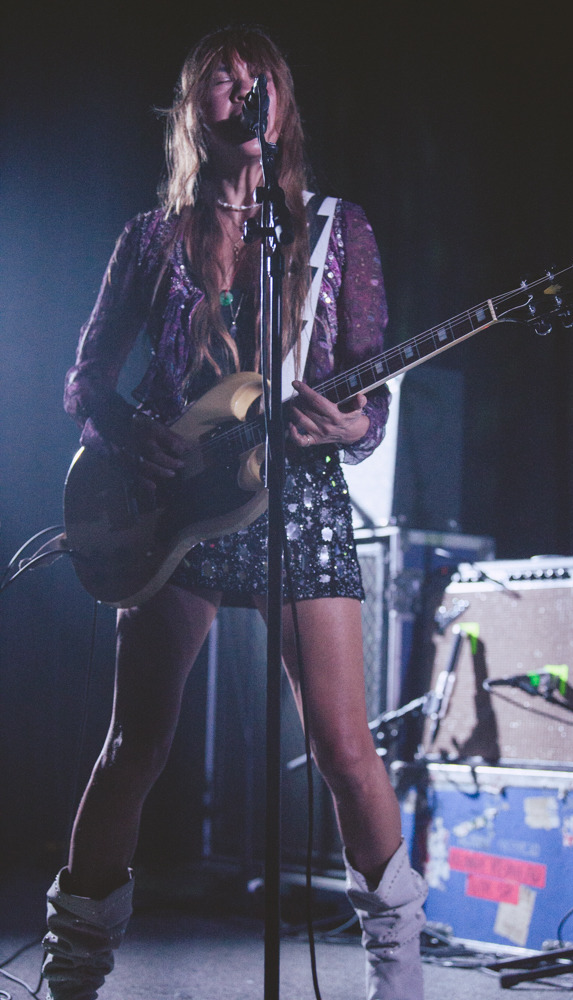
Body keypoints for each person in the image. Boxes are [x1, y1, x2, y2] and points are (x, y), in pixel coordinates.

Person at [43, 25, 427, 1000]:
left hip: (299, 501)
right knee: (136, 744)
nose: (242, 91)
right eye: (223, 78)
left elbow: (370, 404)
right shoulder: (150, 237)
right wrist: (139, 437)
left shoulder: (335, 231)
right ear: (193, 106)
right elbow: (86, 378)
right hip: (176, 509)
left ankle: (400, 978)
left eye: (260, 80)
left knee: (345, 745)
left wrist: (348, 421)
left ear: (281, 106)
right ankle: (73, 969)